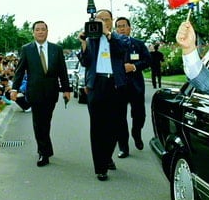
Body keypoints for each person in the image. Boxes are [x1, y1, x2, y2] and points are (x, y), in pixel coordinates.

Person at [78, 9, 129, 181]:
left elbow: (121, 51)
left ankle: (107, 157)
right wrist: (83, 43)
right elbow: (85, 62)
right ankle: (100, 167)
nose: (102, 22)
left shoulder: (119, 37)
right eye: (99, 19)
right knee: (98, 127)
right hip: (97, 85)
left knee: (116, 125)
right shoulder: (91, 39)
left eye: (106, 19)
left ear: (111, 21)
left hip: (116, 84)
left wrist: (108, 34)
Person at [11, 21, 71, 167]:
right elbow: (19, 71)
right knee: (39, 123)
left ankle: (45, 149)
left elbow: (62, 71)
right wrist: (14, 88)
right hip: (34, 91)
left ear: (47, 31)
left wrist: (66, 90)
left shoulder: (56, 49)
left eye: (43, 29)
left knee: (46, 121)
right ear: (33, 32)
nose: (40, 32)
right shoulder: (27, 49)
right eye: (37, 30)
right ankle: (43, 153)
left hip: (51, 91)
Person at [114, 17, 151, 156]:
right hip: (119, 86)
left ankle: (136, 132)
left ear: (130, 28)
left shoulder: (138, 44)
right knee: (119, 118)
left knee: (139, 114)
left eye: (124, 26)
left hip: (136, 85)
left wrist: (134, 67)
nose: (121, 29)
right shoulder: (113, 45)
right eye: (118, 26)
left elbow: (148, 60)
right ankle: (123, 147)